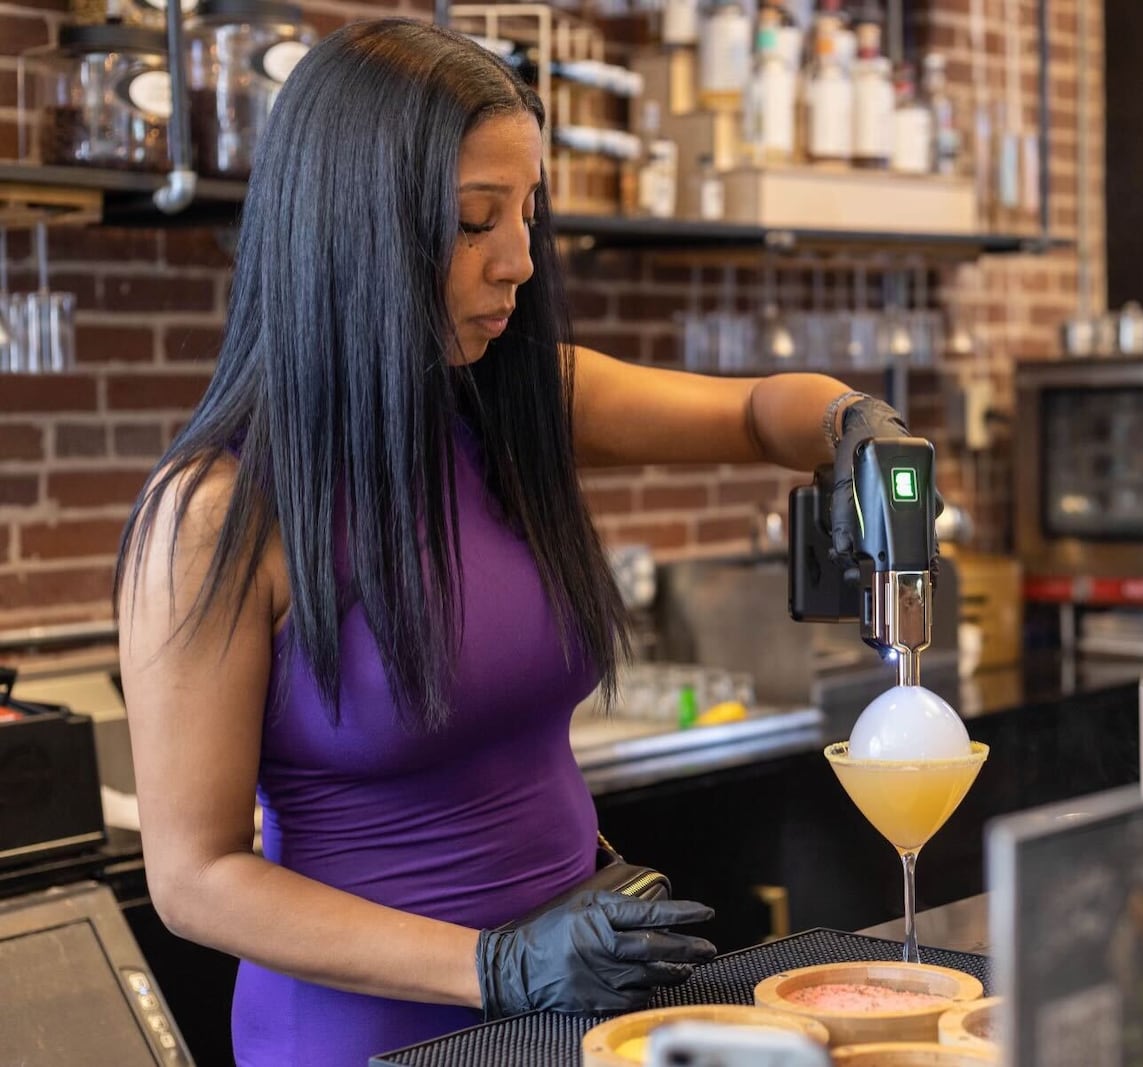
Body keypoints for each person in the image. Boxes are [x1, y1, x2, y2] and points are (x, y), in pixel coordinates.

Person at [114, 18, 921, 1066]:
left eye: (528, 212)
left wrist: (854, 428)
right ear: (349, 228)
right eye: (471, 221)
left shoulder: (518, 404)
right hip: (368, 1039)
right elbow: (194, 878)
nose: (520, 262)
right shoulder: (215, 512)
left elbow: (761, 408)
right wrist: (495, 963)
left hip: (568, 1019)